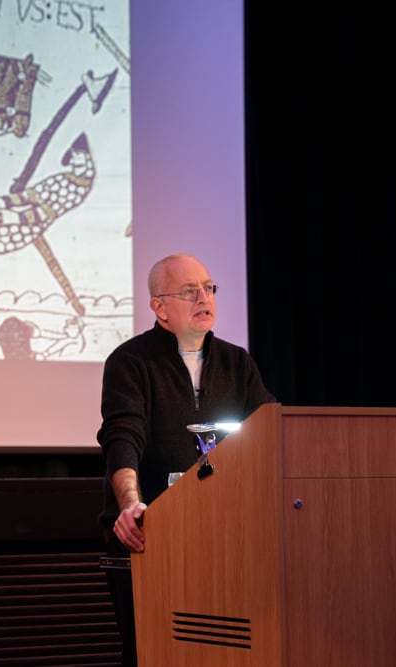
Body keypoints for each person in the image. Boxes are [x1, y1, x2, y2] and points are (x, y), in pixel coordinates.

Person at [96, 253, 276, 667]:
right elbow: (122, 437)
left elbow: (269, 432)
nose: (203, 297)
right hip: (148, 539)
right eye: (189, 290)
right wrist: (130, 506)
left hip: (224, 538)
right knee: (154, 654)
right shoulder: (130, 362)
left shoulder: (237, 362)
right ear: (158, 306)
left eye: (208, 287)